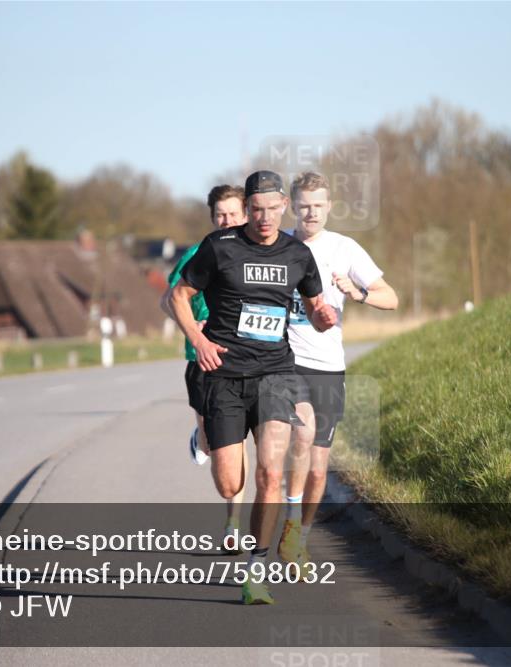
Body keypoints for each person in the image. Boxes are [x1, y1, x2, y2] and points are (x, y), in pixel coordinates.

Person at [169, 170, 337, 605]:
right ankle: (212, 440)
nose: (264, 218)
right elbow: (178, 296)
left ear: (284, 206)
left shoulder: (297, 254)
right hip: (223, 375)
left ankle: (255, 571)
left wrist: (323, 318)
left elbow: (316, 305)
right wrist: (199, 339)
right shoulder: (219, 247)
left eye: (271, 209)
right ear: (247, 209)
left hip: (276, 374)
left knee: (269, 473)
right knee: (230, 483)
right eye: (255, 210)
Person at [276, 171, 399, 566]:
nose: (310, 213)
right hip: (287, 361)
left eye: (318, 205)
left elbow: (391, 298)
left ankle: (299, 539)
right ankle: (290, 521)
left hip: (328, 366)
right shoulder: (277, 247)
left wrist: (357, 292)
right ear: (292, 207)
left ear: (329, 206)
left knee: (318, 468)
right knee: (302, 433)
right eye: (304, 205)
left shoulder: (345, 248)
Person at [161, 184, 249, 549]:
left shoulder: (255, 254)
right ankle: (202, 435)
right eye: (220, 215)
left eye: (232, 214)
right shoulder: (198, 254)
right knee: (215, 444)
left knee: (238, 442)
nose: (226, 221)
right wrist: (191, 327)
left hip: (243, 360)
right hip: (201, 360)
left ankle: (233, 525)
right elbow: (169, 300)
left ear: (245, 215)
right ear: (212, 218)